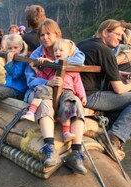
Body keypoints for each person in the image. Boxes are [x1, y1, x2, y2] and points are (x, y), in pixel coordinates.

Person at [77, 19, 131, 161]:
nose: (121, 38)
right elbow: (119, 89)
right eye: (118, 34)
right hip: (90, 96)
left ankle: (108, 126)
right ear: (105, 32)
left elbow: (95, 68)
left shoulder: (84, 44)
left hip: (77, 92)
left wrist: (118, 74)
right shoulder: (105, 50)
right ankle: (114, 138)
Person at [24, 19, 86, 170]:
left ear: (57, 34)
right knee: (45, 103)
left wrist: (58, 62)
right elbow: (30, 79)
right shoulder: (38, 54)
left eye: (49, 34)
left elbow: (80, 60)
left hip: (65, 91)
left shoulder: (68, 47)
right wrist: (48, 82)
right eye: (42, 35)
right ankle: (49, 147)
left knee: (75, 103)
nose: (45, 38)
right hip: (42, 90)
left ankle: (76, 152)